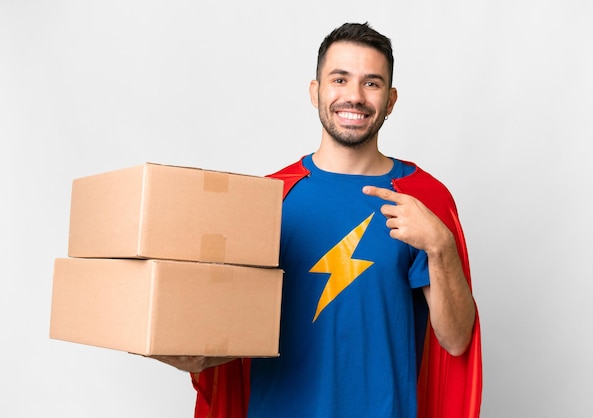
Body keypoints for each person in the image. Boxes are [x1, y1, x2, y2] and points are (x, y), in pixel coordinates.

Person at [157, 22, 482, 418]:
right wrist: (196, 353)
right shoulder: (268, 198)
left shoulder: (421, 198)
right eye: (340, 79)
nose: (354, 96)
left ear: (391, 100)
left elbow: (455, 341)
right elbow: (229, 332)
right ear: (316, 91)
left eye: (372, 83)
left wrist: (440, 247)